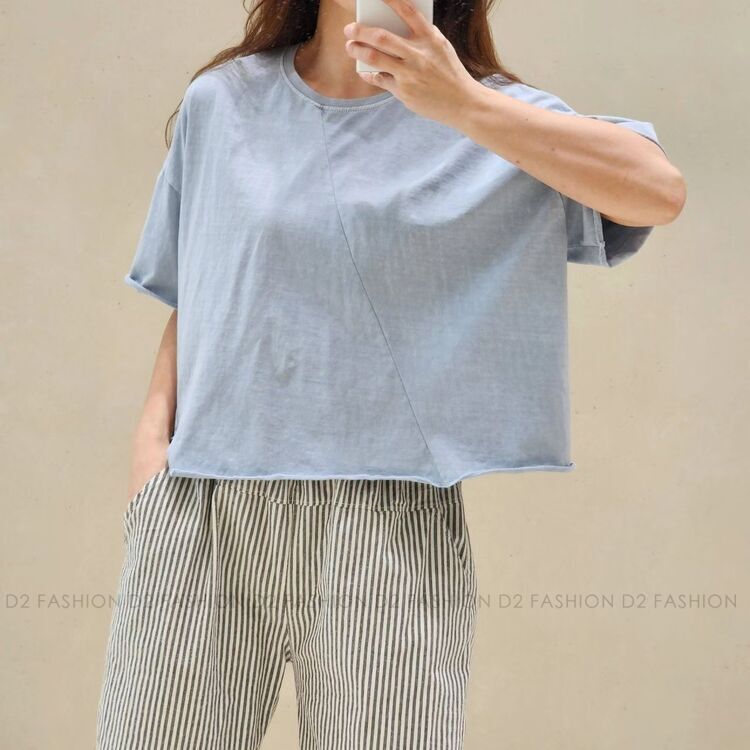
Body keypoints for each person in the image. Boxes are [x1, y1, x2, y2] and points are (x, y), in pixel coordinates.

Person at [96, 1, 686, 748]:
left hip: (387, 518)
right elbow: (203, 285)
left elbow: (658, 191)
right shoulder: (224, 102)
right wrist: (151, 452)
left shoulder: (489, 116)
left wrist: (464, 105)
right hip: (204, 499)